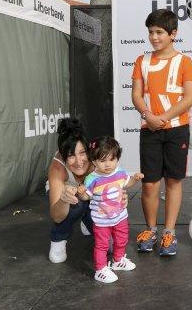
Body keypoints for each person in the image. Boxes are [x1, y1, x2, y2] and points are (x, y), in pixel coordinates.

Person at [131, 9, 192, 256]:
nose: (154, 37)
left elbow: (189, 98)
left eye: (159, 32)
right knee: (149, 184)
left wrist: (164, 119)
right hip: (149, 129)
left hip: (177, 130)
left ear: (173, 34)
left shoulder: (185, 62)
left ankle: (169, 232)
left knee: (173, 181)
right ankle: (151, 229)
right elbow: (136, 95)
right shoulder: (142, 61)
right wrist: (149, 117)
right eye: (150, 32)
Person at [76, 136, 144, 283]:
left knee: (122, 240)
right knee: (102, 245)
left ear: (117, 159)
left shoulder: (119, 172)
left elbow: (127, 183)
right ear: (93, 161)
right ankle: (100, 270)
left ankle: (118, 260)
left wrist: (135, 178)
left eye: (111, 159)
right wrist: (81, 192)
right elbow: (86, 198)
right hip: (101, 221)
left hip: (120, 217)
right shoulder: (92, 179)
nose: (108, 164)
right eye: (102, 160)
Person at [47, 118, 94, 263]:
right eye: (71, 155)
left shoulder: (96, 157)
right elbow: (57, 216)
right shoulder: (57, 168)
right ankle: (58, 238)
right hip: (69, 198)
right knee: (77, 204)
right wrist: (63, 199)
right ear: (63, 154)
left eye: (82, 153)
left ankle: (87, 221)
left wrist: (119, 198)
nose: (79, 162)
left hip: (90, 194)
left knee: (109, 243)